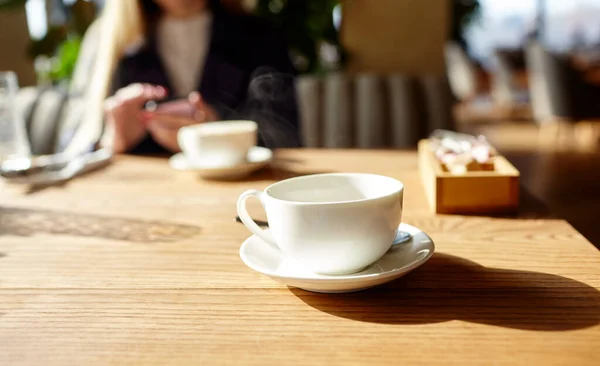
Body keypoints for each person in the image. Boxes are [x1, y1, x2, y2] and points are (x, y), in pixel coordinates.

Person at [73, 0, 300, 155]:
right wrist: (112, 142)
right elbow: (72, 150)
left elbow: (287, 137)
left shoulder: (259, 37)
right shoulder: (111, 42)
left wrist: (219, 135)